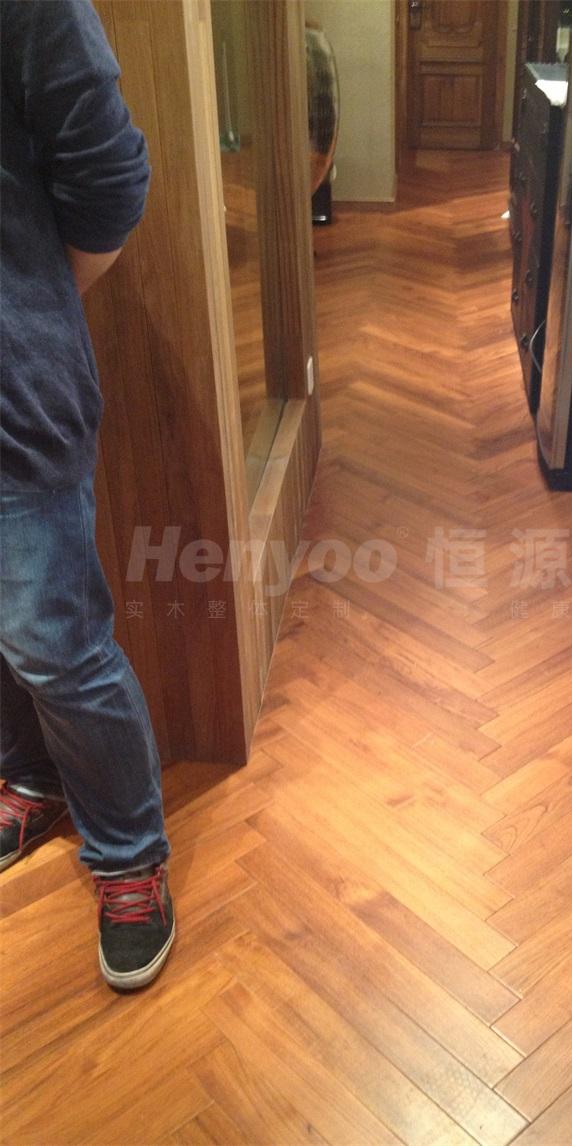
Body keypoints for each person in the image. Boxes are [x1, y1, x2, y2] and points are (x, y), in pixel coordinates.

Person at [0, 0, 174, 990]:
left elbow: (109, 179)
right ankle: (30, 777)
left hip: (10, 391)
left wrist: (29, 304)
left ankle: (129, 855)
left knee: (56, 644)